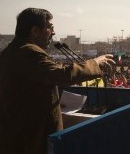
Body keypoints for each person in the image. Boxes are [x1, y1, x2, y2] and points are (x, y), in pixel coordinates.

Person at [0, 8, 115, 154]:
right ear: (35, 31)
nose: (53, 33)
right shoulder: (28, 52)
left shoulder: (11, 51)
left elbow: (26, 91)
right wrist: (95, 63)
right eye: (50, 27)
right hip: (31, 141)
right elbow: (63, 75)